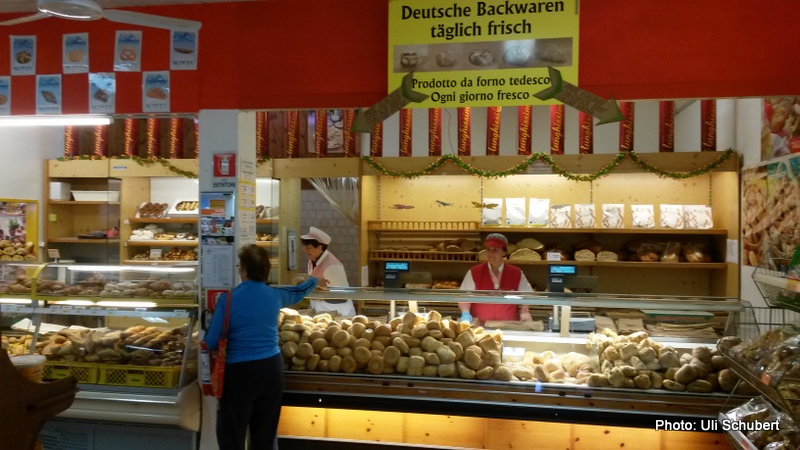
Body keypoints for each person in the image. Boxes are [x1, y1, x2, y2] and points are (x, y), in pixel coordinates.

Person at [204, 244, 318, 450]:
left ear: (244, 270)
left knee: (232, 436)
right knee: (264, 437)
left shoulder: (227, 300)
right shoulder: (274, 295)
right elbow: (299, 292)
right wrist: (315, 281)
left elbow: (212, 342)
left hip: (239, 373)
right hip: (271, 370)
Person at [458, 233, 534, 324]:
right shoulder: (474, 272)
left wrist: (524, 310)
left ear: (504, 252)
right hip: (481, 326)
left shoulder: (516, 273)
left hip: (509, 325)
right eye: (488, 249)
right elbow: (464, 296)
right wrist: (465, 312)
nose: (490, 254)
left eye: (495, 250)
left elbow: (528, 295)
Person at [300, 226, 357, 316]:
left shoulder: (332, 266)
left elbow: (339, 297)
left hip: (339, 313)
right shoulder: (312, 261)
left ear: (319, 248)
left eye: (308, 248)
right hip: (322, 312)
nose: (305, 250)